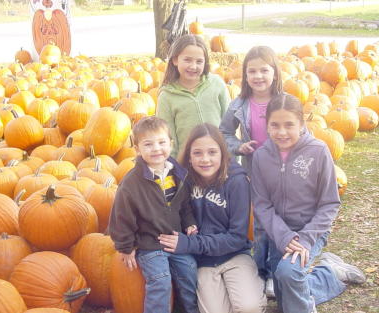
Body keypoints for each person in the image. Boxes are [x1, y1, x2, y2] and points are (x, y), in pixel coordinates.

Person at [251, 94, 365, 313]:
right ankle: (329, 272)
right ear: (267, 125)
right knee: (285, 296)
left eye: (289, 125)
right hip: (279, 233)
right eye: (275, 125)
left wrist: (304, 239)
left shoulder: (318, 151)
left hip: (310, 230)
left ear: (301, 124)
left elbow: (330, 203)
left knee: (288, 274)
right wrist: (284, 237)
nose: (282, 132)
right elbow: (262, 205)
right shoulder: (261, 157)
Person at [158, 123, 267, 313]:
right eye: (197, 153)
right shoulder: (182, 181)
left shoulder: (237, 181)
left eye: (212, 152)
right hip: (203, 262)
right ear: (189, 157)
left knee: (249, 308)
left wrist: (188, 244)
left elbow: (237, 237)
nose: (205, 159)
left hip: (235, 255)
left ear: (222, 153)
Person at [108, 116, 199, 313]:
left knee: (189, 271)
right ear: (138, 149)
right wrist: (126, 246)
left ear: (171, 144)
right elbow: (122, 216)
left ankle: (188, 310)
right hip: (149, 243)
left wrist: (189, 223)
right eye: (148, 144)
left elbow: (183, 205)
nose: (156, 149)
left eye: (161, 142)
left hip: (175, 240)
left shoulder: (178, 174)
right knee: (161, 281)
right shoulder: (132, 183)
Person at [219, 45, 283, 298]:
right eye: (252, 71)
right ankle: (261, 271)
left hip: (281, 173)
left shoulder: (284, 102)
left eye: (264, 70)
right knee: (259, 225)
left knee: (278, 222)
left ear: (275, 72)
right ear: (245, 75)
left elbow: (301, 133)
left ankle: (275, 274)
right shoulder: (239, 105)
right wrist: (238, 146)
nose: (258, 76)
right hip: (254, 172)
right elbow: (224, 133)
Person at [156, 34, 231, 158]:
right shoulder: (166, 97)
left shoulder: (216, 84)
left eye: (199, 61)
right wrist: (175, 171)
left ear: (205, 62)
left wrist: (232, 160)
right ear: (175, 60)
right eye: (187, 60)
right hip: (187, 165)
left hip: (219, 161)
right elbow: (168, 140)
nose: (193, 66)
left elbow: (229, 126)